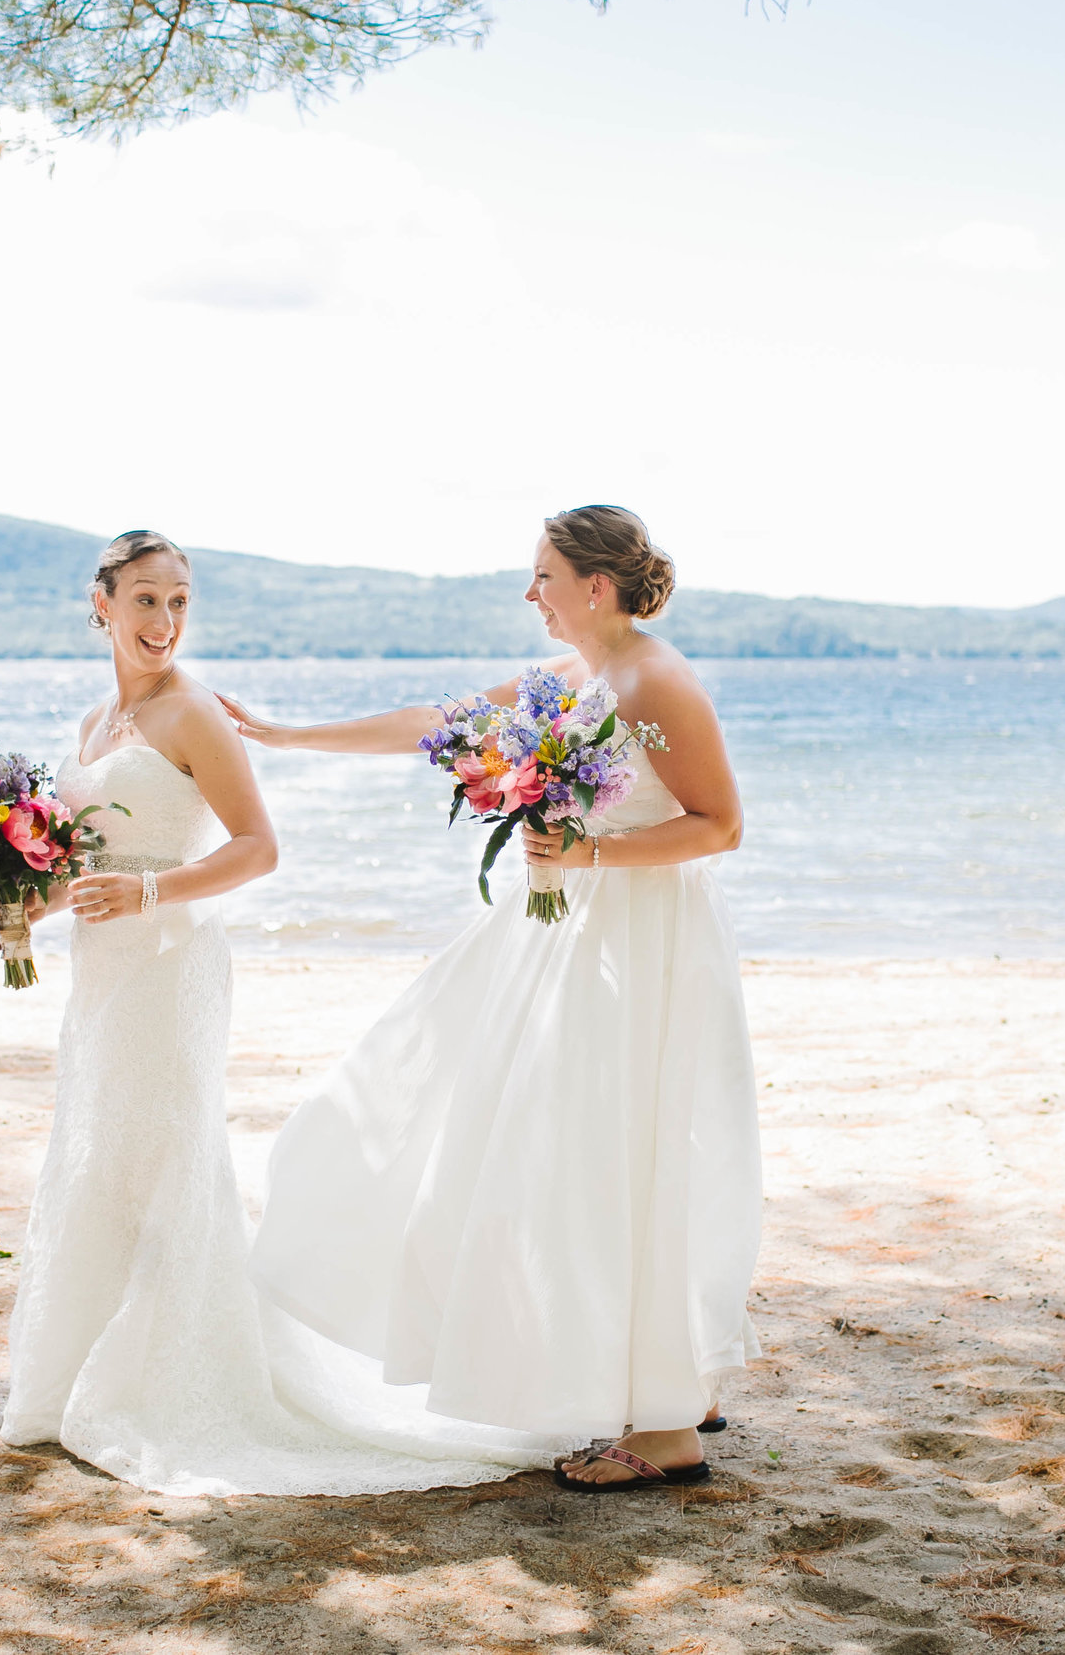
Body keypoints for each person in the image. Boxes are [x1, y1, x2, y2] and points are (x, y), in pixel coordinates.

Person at [0, 530, 568, 1495]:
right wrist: (21, 906)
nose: (165, 622)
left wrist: (148, 894)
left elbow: (259, 848)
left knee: (171, 1163)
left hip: (171, 966)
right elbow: (81, 863)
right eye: (145, 600)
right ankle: (76, 1378)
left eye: (179, 601)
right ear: (99, 603)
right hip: (102, 977)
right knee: (98, 1155)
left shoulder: (192, 714)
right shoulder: (95, 723)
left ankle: (182, 1384)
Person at [222, 504, 764, 1492]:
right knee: (572, 1145)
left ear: (594, 586)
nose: (530, 593)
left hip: (640, 942)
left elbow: (719, 823)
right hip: (572, 926)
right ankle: (670, 1376)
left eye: (542, 574)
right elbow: (441, 723)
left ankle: (668, 1429)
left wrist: (591, 848)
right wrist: (290, 734)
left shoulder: (656, 680)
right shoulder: (573, 679)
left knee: (614, 1148)